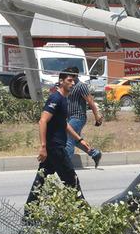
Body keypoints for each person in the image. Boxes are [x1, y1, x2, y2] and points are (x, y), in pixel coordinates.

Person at [25, 71, 96, 211]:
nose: (73, 83)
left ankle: (29, 212)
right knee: (71, 180)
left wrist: (79, 139)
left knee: (41, 179)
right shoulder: (55, 98)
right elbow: (42, 121)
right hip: (55, 148)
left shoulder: (64, 99)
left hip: (54, 147)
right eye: (69, 80)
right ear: (61, 81)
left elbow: (64, 124)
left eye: (74, 81)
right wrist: (43, 147)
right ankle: (84, 211)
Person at [63, 66, 103, 168]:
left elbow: (90, 101)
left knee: (69, 139)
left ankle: (65, 165)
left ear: (75, 75)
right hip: (69, 117)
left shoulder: (81, 86)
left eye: (70, 75)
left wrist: (96, 115)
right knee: (76, 140)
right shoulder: (69, 86)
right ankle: (95, 153)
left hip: (78, 117)